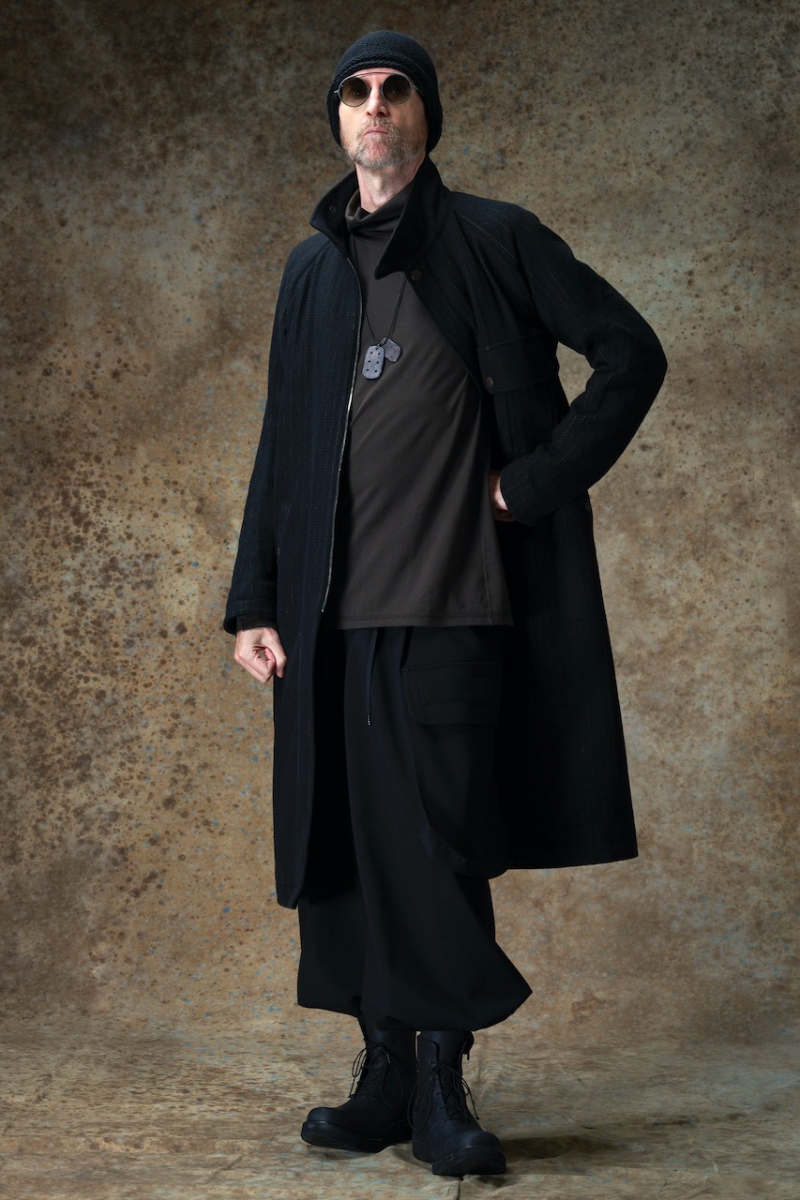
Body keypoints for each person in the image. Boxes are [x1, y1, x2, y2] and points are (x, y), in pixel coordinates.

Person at [224, 29, 667, 1179]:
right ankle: (379, 1073)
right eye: (355, 92)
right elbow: (281, 444)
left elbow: (629, 353)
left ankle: (438, 1083)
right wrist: (253, 600)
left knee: (434, 847)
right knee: (340, 850)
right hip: (324, 619)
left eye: (395, 91)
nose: (375, 107)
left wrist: (532, 481)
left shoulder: (493, 238)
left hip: (450, 605)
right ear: (337, 119)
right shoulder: (310, 272)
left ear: (425, 115)